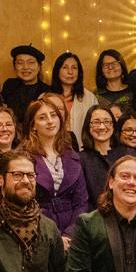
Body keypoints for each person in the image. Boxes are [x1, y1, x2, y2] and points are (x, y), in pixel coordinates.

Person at [22, 97, 88, 246]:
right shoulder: (23, 157)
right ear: (33, 125)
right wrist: (56, 237)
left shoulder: (72, 155)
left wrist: (70, 234)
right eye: (42, 117)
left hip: (73, 235)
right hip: (38, 233)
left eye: (53, 115)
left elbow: (81, 202)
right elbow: (23, 205)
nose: (50, 121)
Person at [79, 105, 134, 210]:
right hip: (95, 219)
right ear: (88, 126)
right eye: (96, 122)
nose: (102, 127)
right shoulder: (80, 159)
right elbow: (82, 199)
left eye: (107, 121)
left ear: (113, 125)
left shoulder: (128, 153)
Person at [50, 52, 98, 148]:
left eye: (74, 68)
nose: (70, 72)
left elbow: (96, 126)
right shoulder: (46, 97)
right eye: (65, 67)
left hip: (83, 152)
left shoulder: (89, 98)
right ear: (57, 71)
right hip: (51, 150)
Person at [1, 44, 50, 127]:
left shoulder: (48, 91)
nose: (25, 67)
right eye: (20, 63)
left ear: (39, 67)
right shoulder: (9, 85)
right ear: (15, 67)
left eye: (30, 62)